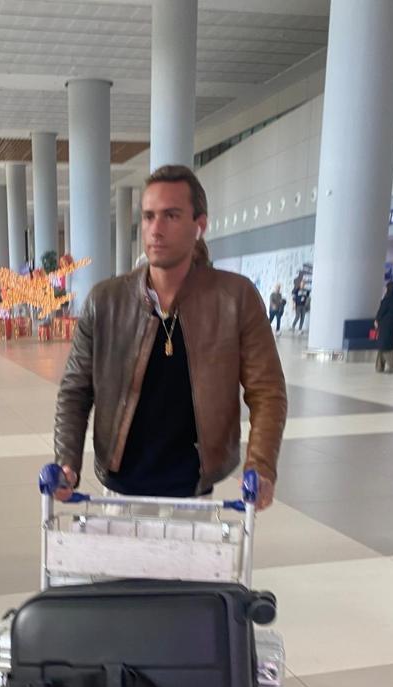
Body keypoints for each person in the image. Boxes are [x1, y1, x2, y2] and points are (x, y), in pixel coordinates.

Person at [53, 164, 287, 511]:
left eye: (171, 216)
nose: (155, 229)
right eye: (148, 216)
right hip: (120, 486)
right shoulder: (106, 301)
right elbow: (75, 389)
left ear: (199, 225)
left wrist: (261, 466)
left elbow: (267, 391)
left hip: (194, 488)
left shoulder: (235, 298)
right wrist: (66, 462)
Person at [374, 280, 393, 373]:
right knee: (384, 345)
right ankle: (379, 366)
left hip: (385, 325)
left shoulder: (387, 300)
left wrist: (377, 320)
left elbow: (381, 312)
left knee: (385, 346)